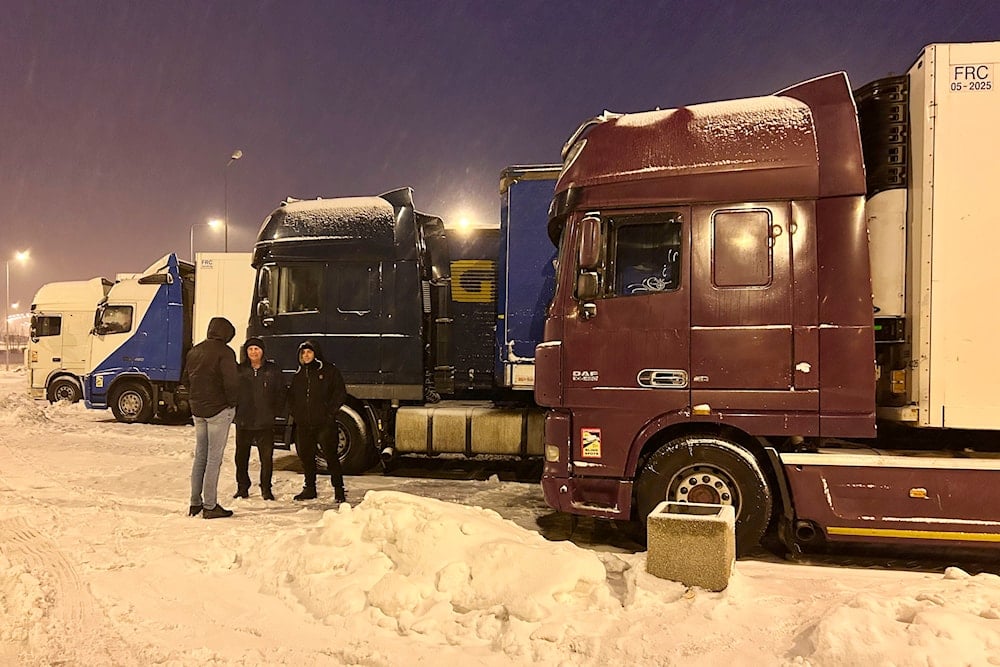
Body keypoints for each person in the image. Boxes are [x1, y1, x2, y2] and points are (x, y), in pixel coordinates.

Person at [183, 317, 240, 519]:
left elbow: (185, 380)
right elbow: (231, 382)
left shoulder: (194, 351)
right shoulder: (225, 352)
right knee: (214, 459)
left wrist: (196, 399)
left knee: (200, 457)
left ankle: (195, 503)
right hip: (218, 410)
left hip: (198, 410)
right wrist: (232, 403)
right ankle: (210, 505)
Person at [287, 340, 347, 503]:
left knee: (331, 457)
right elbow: (291, 397)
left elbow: (340, 393)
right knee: (306, 457)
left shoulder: (329, 371)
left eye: (309, 352)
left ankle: (339, 490)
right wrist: (295, 413)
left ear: (316, 353)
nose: (306, 355)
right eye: (303, 353)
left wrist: (330, 413)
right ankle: (310, 488)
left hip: (324, 424)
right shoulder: (299, 374)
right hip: (304, 424)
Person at [233, 337, 285, 501]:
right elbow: (232, 391)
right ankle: (242, 487)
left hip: (265, 422)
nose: (254, 352)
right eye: (250, 349)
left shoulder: (273, 370)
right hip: (244, 421)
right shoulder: (239, 370)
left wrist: (275, 412)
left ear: (262, 351)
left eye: (256, 349)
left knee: (266, 458)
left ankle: (266, 489)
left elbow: (281, 392)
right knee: (241, 457)